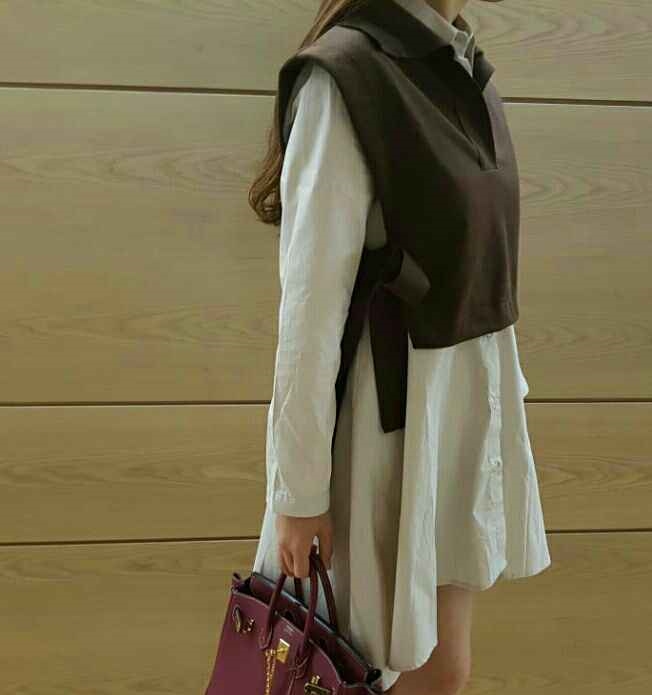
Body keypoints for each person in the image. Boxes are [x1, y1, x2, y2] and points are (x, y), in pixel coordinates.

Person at [248, 1, 552, 693]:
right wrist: (298, 490)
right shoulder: (347, 75)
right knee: (358, 671)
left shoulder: (462, 67)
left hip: (455, 425)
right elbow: (309, 309)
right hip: (385, 432)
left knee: (442, 671)